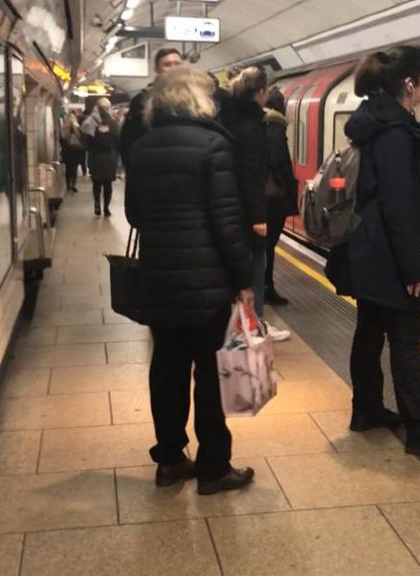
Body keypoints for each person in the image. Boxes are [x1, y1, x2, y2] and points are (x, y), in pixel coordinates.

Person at [327, 46, 420, 461]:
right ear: (409, 83)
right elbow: (397, 203)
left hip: (368, 249)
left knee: (370, 331)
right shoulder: (395, 132)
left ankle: (367, 409)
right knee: (406, 340)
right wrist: (414, 264)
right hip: (389, 254)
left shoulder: (375, 122)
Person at [125, 67, 256, 495]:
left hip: (159, 278)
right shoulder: (213, 145)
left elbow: (133, 215)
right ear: (199, 100)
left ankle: (169, 460)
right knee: (210, 375)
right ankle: (214, 467)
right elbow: (226, 222)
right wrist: (244, 278)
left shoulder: (141, 148)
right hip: (208, 283)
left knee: (167, 369)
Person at [217, 67, 290, 342]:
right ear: (261, 92)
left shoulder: (228, 117)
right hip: (248, 213)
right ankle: (253, 326)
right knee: (254, 270)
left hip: (231, 208)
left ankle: (246, 325)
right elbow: (251, 173)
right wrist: (259, 217)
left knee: (242, 271)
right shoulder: (253, 125)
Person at [262, 87, 299, 305]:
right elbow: (277, 160)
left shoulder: (260, 122)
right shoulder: (275, 125)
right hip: (272, 199)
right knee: (268, 246)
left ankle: (266, 287)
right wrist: (286, 186)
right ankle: (267, 288)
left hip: (264, 198)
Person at [120, 47, 185, 167]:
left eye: (177, 64)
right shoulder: (143, 100)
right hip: (154, 167)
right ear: (157, 69)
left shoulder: (194, 98)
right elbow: (129, 141)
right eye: (167, 64)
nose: (174, 69)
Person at [82, 98, 120, 216]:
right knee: (108, 185)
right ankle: (106, 208)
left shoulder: (89, 121)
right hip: (109, 157)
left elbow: (85, 141)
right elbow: (118, 139)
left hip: (95, 157)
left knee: (97, 183)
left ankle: (97, 204)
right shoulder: (113, 122)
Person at [60, 111, 85, 192]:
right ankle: (73, 184)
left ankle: (68, 185)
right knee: (74, 169)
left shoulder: (63, 129)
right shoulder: (77, 128)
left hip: (67, 152)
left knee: (68, 169)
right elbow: (82, 138)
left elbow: (61, 140)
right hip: (75, 152)